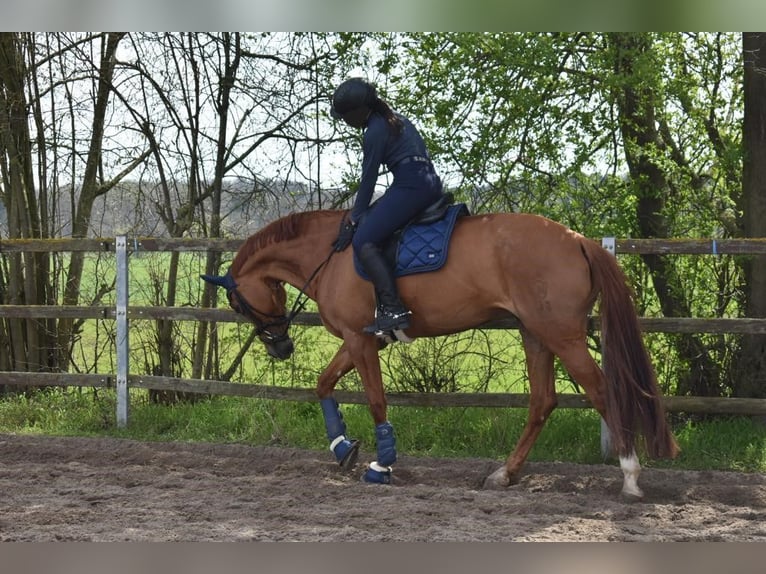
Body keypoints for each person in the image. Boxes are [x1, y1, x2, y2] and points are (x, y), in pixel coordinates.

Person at [330, 77, 443, 335]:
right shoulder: (396, 118)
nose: (346, 122)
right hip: (427, 181)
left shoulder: (374, 131)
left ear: (357, 112)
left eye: (346, 116)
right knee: (374, 222)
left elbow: (368, 180)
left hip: (411, 186)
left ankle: (393, 309)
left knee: (363, 241)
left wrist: (355, 219)